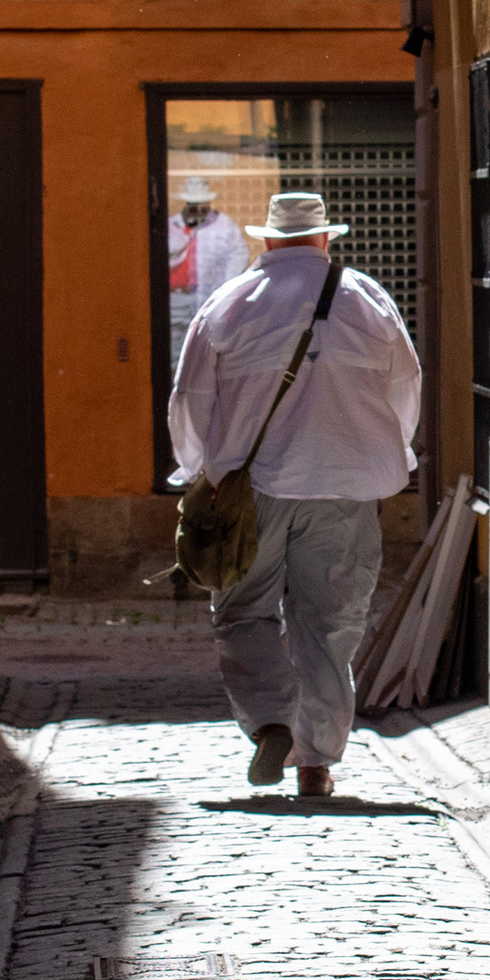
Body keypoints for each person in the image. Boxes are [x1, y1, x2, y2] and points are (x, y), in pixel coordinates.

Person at [168, 189, 421, 800]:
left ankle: (270, 721)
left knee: (243, 610)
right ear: (326, 239)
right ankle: (316, 763)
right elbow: (404, 388)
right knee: (332, 623)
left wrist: (199, 470)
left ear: (266, 240)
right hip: (347, 486)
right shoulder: (369, 300)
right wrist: (393, 456)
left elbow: (191, 400)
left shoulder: (229, 304)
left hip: (252, 491)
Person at [171, 174, 247, 308]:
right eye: (193, 204)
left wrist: (226, 290)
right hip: (176, 299)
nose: (198, 208)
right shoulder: (173, 225)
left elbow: (238, 255)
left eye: (202, 203)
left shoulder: (224, 224)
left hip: (211, 297)